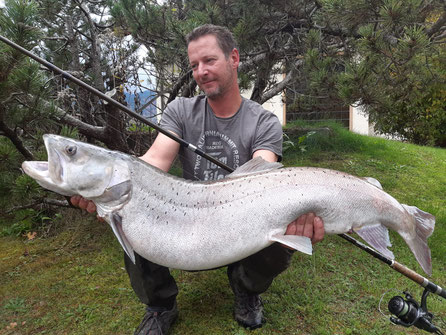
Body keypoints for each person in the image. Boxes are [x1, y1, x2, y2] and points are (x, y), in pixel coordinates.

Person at [71, 24, 325, 335]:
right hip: (190, 219)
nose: (200, 72)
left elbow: (264, 176)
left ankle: (247, 290)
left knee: (280, 230)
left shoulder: (264, 121)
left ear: (234, 58)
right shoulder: (179, 111)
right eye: (194, 65)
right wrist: (109, 191)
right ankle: (160, 305)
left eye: (209, 61)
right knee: (131, 213)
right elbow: (154, 162)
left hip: (244, 221)